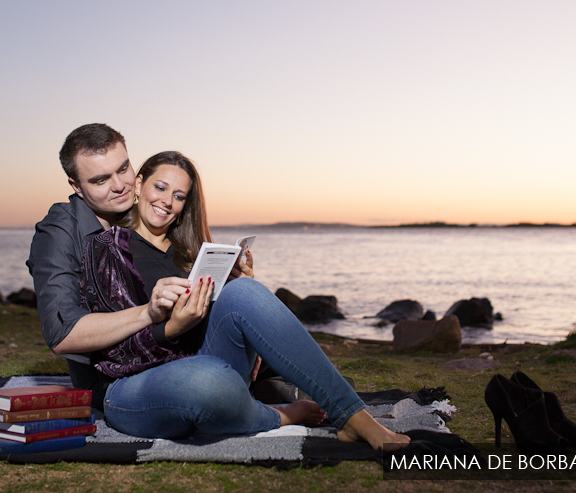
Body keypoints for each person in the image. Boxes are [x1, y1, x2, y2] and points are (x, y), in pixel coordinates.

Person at [28, 125, 408, 448]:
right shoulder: (72, 235)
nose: (120, 185)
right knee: (207, 382)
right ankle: (276, 414)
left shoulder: (173, 241)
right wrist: (154, 315)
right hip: (125, 379)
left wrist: (240, 301)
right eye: (100, 180)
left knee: (243, 296)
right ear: (76, 186)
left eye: (123, 169)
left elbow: (212, 311)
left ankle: (351, 414)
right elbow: (63, 334)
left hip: (193, 360)